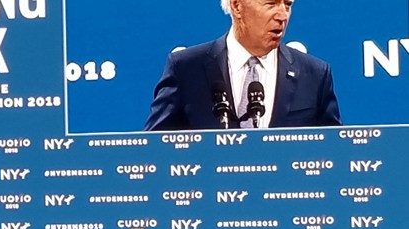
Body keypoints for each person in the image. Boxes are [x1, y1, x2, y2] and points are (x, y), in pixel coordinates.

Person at [143, 0, 341, 131]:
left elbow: (334, 154)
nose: (282, 16)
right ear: (237, 5)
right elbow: (153, 151)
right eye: (271, 4)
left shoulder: (315, 75)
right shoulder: (185, 69)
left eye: (287, 5)